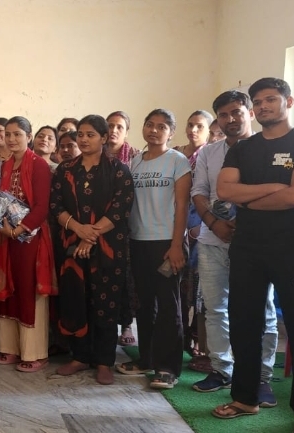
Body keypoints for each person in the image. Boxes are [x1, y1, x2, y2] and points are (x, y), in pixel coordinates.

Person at [213, 78, 294, 433]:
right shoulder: (243, 148)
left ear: (288, 101)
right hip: (247, 246)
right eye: (258, 102)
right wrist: (275, 187)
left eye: (270, 99)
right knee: (244, 323)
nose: (263, 106)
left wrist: (248, 198)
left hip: (293, 247)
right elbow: (224, 190)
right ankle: (245, 398)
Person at [191, 91, 279, 403]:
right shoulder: (209, 153)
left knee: (263, 311)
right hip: (212, 242)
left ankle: (261, 378)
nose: (231, 119)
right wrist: (214, 223)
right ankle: (221, 369)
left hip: (256, 243)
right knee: (215, 309)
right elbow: (199, 192)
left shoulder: (269, 148)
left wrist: (246, 223)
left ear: (250, 113)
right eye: (224, 114)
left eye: (237, 112)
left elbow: (274, 193)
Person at [51, 115, 134, 386]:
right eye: (81, 135)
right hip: (72, 246)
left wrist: (90, 235)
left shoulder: (118, 170)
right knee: (76, 299)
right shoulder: (65, 169)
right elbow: (56, 206)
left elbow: (120, 209)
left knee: (104, 304)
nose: (84, 139)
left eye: (90, 135)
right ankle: (79, 357)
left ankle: (104, 361)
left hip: (108, 248)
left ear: (103, 137)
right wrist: (78, 229)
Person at [114, 109, 191, 390]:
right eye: (150, 125)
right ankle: (146, 358)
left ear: (171, 132)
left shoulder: (177, 161)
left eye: (161, 126)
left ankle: (168, 368)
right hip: (139, 242)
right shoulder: (135, 161)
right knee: (144, 305)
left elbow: (182, 205)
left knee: (169, 307)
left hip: (167, 244)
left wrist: (176, 245)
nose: (154, 130)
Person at [0, 116, 54, 373]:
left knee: (28, 289)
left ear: (29, 136)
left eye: (17, 134)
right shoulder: (6, 165)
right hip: (7, 237)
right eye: (8, 134)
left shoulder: (38, 165)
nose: (11, 139)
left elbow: (42, 206)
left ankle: (34, 352)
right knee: (10, 288)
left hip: (30, 238)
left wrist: (19, 230)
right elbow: (3, 201)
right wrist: (1, 225)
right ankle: (11, 347)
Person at [174, 110, 214, 367]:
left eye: (200, 126)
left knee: (202, 292)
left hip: (203, 231)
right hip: (176, 227)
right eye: (190, 125)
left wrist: (201, 225)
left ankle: (201, 341)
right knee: (178, 287)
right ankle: (178, 339)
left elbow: (212, 193)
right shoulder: (176, 154)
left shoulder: (211, 156)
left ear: (209, 130)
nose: (193, 130)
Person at [105, 110, 140, 347]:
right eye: (110, 125)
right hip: (99, 225)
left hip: (127, 225)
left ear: (126, 132)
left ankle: (126, 323)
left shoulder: (136, 157)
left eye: (119, 127)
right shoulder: (96, 155)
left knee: (127, 277)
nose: (113, 130)